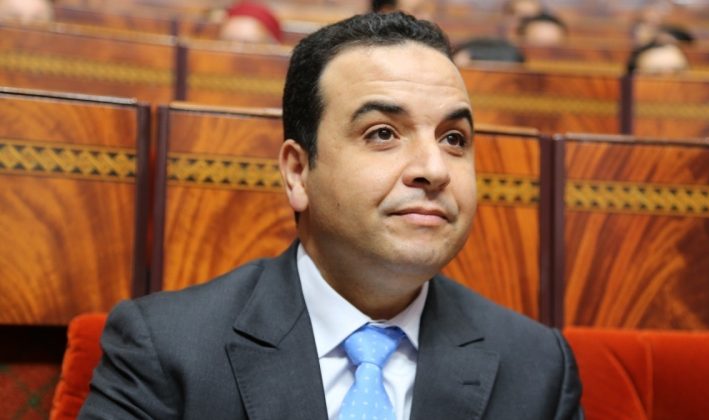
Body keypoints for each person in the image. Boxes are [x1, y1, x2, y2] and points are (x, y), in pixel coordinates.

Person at [79, 12, 583, 420]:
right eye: (382, 133)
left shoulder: (538, 368)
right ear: (298, 173)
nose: (434, 169)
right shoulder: (166, 350)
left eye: (454, 139)